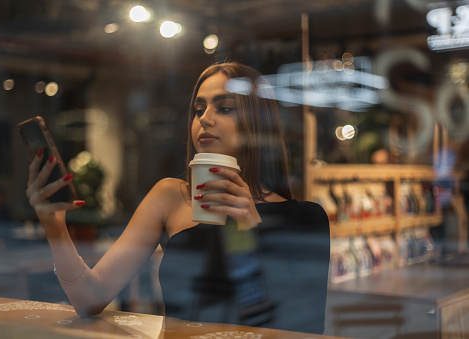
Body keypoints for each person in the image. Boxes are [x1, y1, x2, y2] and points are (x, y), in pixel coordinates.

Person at [26, 62, 330, 334]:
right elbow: (91, 299)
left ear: (257, 124)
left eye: (224, 108)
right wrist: (56, 228)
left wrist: (250, 225)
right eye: (199, 109)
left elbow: (301, 324)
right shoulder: (170, 197)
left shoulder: (306, 217)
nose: (205, 119)